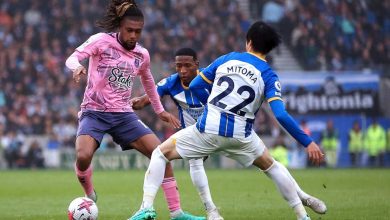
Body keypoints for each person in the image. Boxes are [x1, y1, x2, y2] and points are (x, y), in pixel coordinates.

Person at [129, 21, 326, 220]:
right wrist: (307, 142)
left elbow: (196, 84)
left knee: (160, 154)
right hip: (241, 135)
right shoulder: (269, 75)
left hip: (208, 129)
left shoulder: (228, 59)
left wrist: (213, 106)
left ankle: (148, 207)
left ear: (248, 42)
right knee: (271, 165)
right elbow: (281, 115)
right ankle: (302, 214)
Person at [65, 1, 205, 220]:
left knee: (161, 153)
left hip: (123, 114)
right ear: (120, 27)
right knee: (83, 156)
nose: (133, 36)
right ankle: (89, 193)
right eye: (129, 30)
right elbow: (72, 57)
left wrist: (159, 111)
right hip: (94, 111)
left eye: (137, 31)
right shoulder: (101, 41)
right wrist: (78, 67)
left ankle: (176, 212)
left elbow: (149, 83)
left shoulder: (142, 54)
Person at [131, 47, 217, 217]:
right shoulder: (170, 83)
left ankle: (147, 207)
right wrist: (134, 102)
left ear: (196, 64)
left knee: (160, 154)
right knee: (194, 162)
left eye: (187, 65)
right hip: (193, 134)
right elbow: (145, 100)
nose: (182, 70)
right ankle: (211, 212)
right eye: (178, 66)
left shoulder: (210, 80)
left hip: (216, 130)